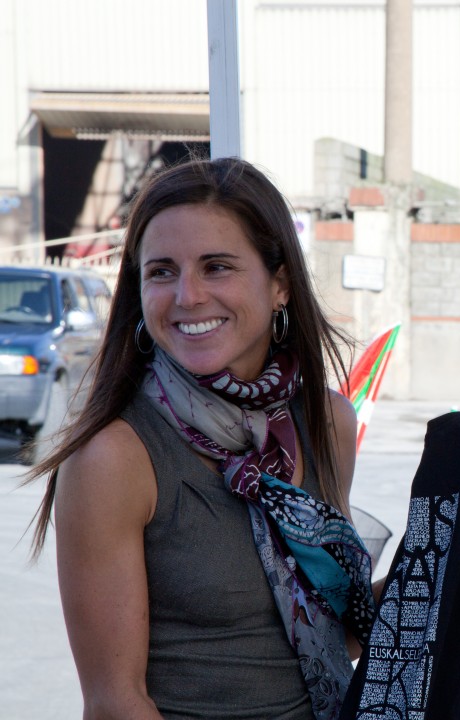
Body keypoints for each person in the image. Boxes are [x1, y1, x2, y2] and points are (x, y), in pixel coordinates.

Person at [26, 157, 375, 720]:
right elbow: (116, 703)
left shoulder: (327, 422)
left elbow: (333, 633)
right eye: (162, 272)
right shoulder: (113, 458)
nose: (187, 296)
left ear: (280, 284)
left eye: (216, 267)